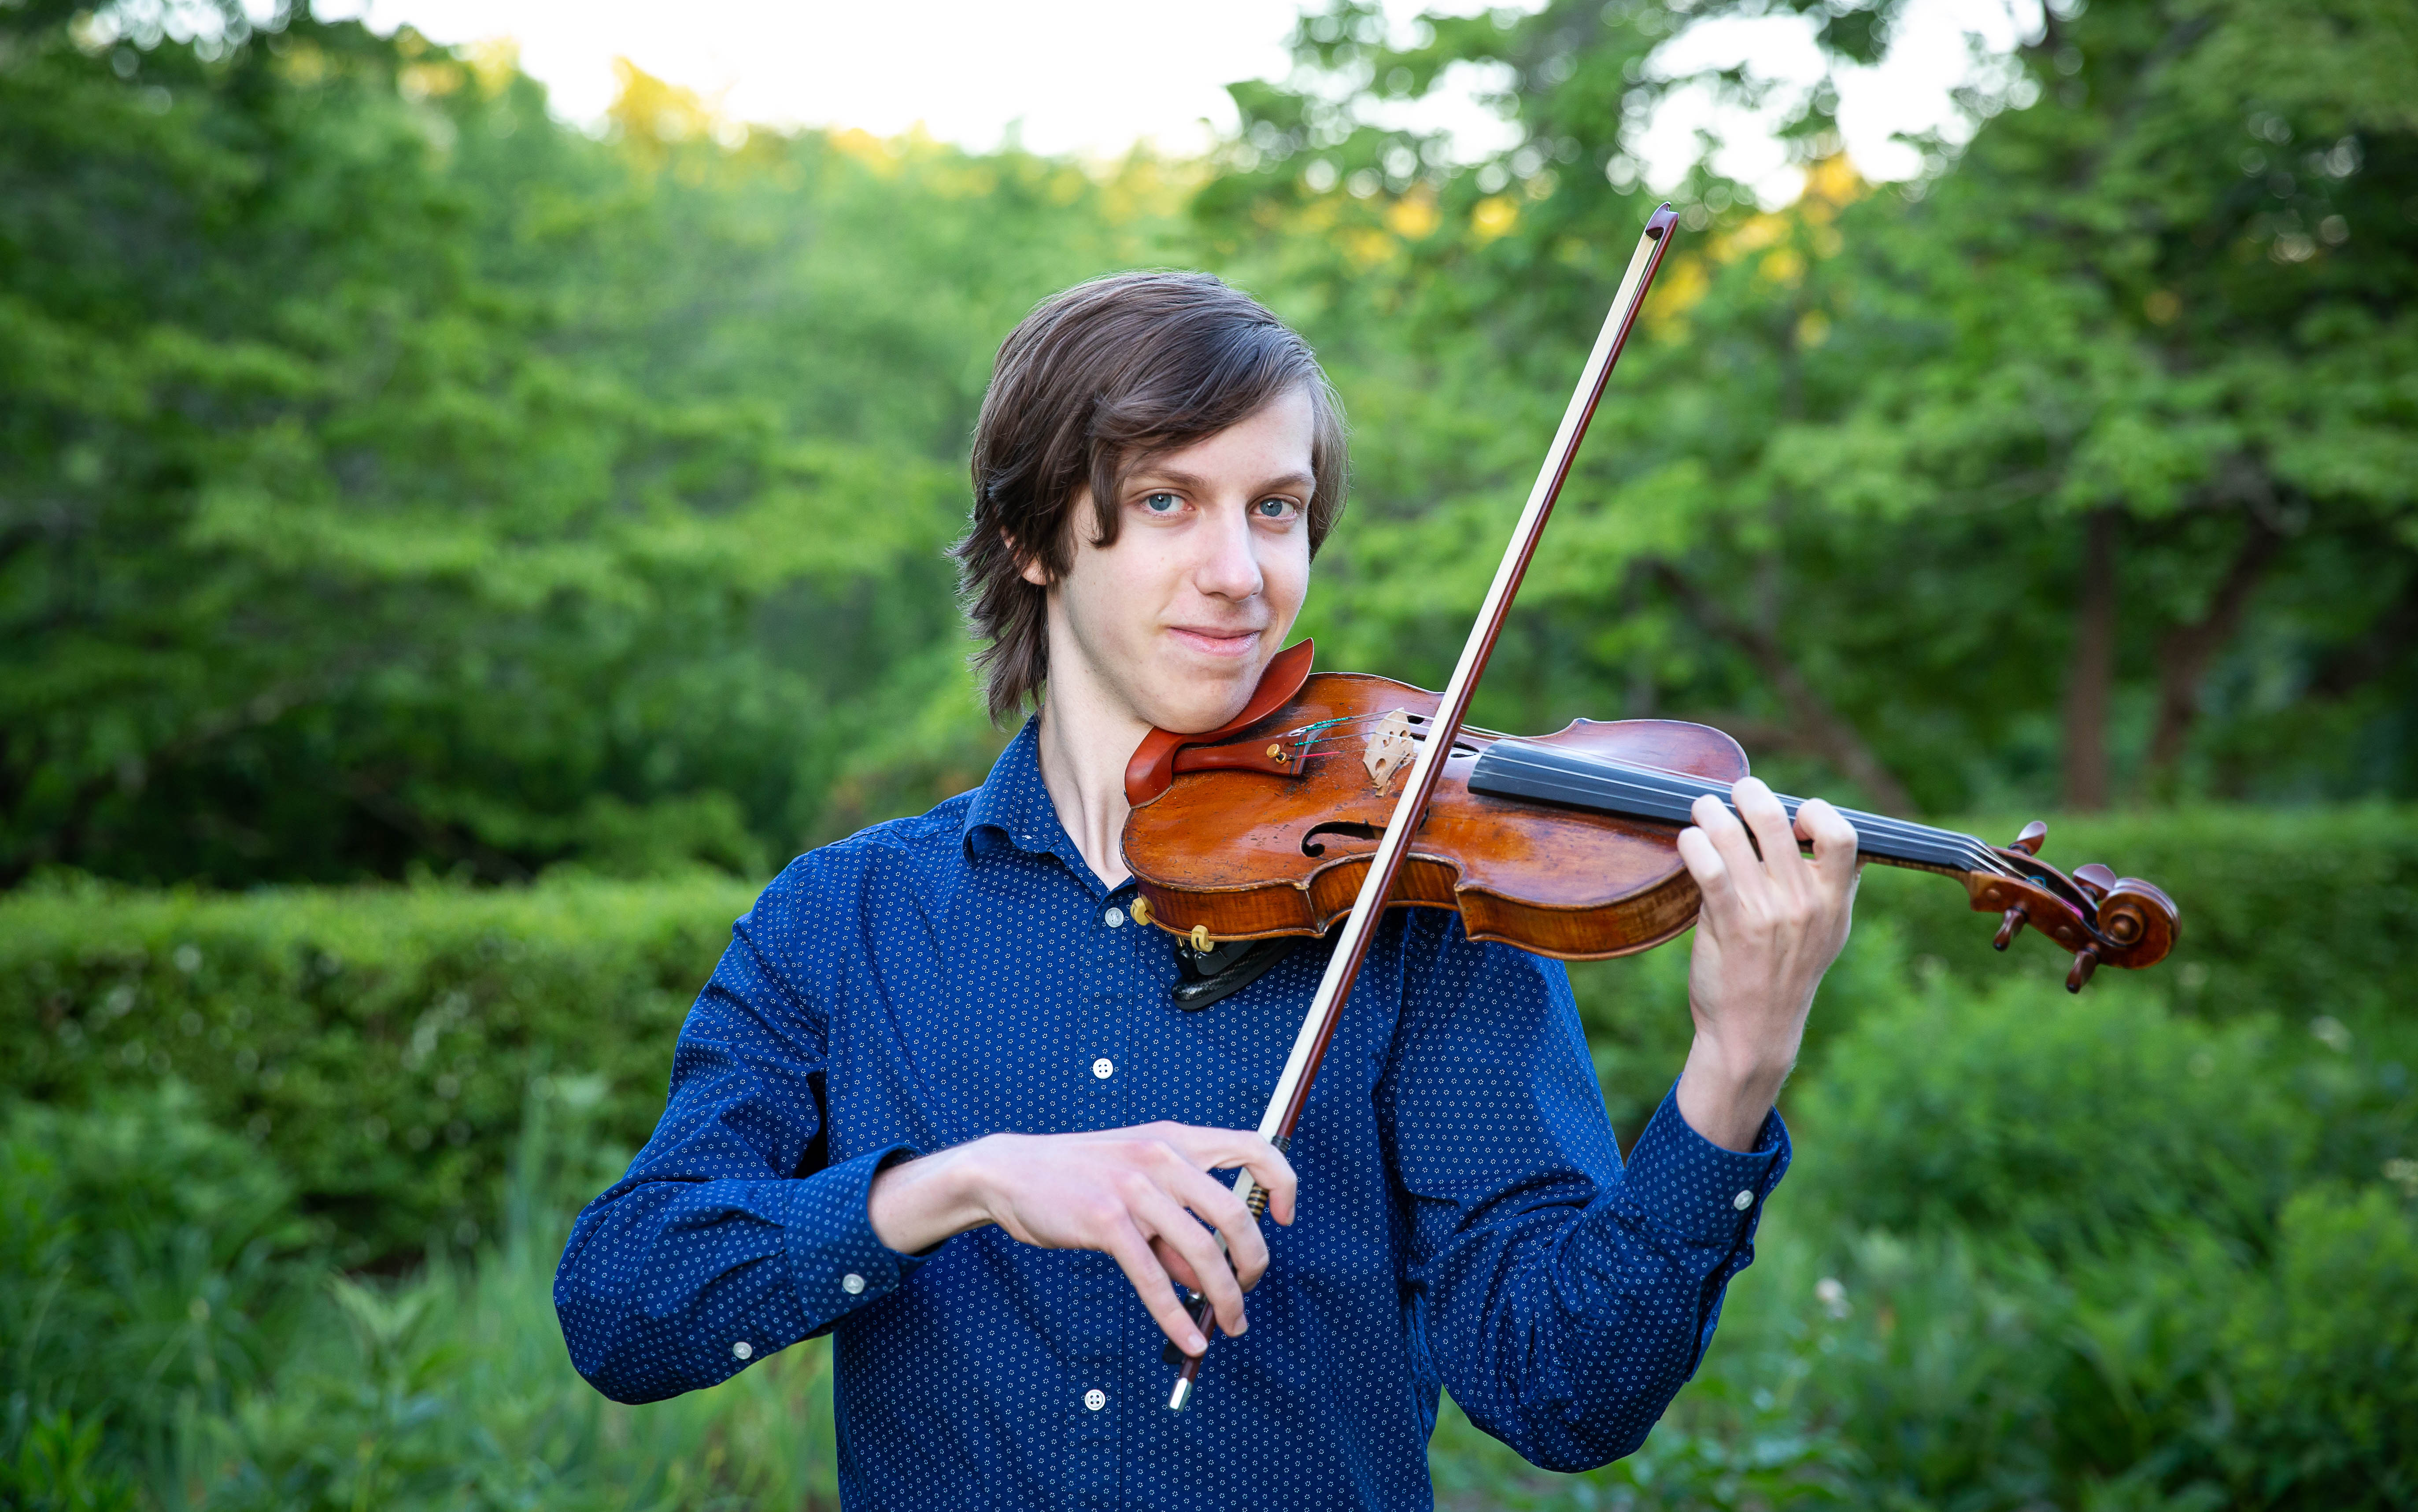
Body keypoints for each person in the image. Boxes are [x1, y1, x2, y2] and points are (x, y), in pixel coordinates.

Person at [555, 271, 1860, 1510]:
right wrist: (954, 1184)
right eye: (1171, 500)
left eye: (1275, 507)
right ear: (1032, 538)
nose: (1241, 571)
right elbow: (623, 1304)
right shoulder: (844, 920)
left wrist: (1731, 1074)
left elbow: (1563, 1394)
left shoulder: (1415, 906)